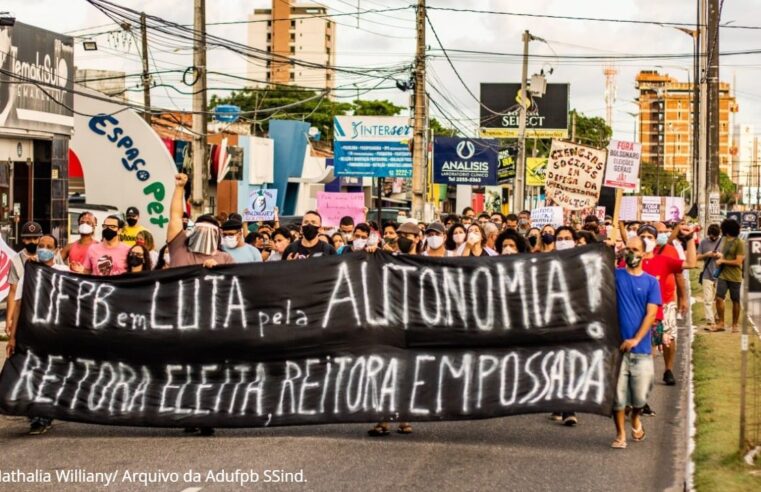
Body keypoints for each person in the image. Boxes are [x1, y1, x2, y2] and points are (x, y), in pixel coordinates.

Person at [6, 233, 69, 435]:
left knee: (50, 374)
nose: (42, 248)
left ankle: (44, 414)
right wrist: (13, 336)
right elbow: (19, 303)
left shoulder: (63, 272)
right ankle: (36, 415)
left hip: (55, 333)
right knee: (32, 373)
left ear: (56, 250)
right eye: (41, 245)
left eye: (48, 246)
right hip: (31, 333)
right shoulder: (30, 272)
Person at [611, 236, 662, 449]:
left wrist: (636, 339)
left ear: (643, 253)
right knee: (618, 396)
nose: (630, 252)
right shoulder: (615, 276)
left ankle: (635, 417)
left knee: (639, 396)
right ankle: (620, 434)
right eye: (627, 249)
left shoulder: (651, 282)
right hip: (616, 350)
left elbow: (651, 314)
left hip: (640, 350)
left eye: (634, 249)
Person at [637, 223, 696, 388]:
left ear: (655, 240)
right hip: (638, 310)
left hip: (664, 306)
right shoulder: (630, 259)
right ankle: (642, 390)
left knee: (668, 339)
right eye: (643, 236)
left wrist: (690, 239)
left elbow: (690, 264)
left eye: (650, 237)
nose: (646, 240)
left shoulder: (664, 258)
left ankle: (668, 369)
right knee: (646, 349)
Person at [5, 222, 43, 338]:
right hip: (25, 310)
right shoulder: (16, 260)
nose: (32, 241)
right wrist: (9, 319)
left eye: (35, 238)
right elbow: (13, 291)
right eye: (28, 238)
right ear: (23, 239)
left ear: (40, 238)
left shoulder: (50, 255)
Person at [713, 218, 745, 333]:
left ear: (727, 230)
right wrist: (720, 256)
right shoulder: (725, 240)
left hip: (735, 276)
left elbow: (738, 261)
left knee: (735, 300)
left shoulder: (740, 243)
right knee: (719, 297)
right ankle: (721, 323)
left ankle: (735, 324)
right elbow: (726, 256)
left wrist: (722, 261)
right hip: (723, 275)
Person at [697, 224, 722, 330]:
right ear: (708, 234)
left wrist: (720, 255)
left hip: (720, 274)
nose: (714, 238)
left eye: (715, 236)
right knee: (708, 299)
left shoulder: (723, 242)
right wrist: (707, 254)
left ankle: (718, 317)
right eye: (712, 236)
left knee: (720, 299)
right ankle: (710, 320)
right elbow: (697, 257)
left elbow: (730, 257)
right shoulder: (703, 242)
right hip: (707, 274)